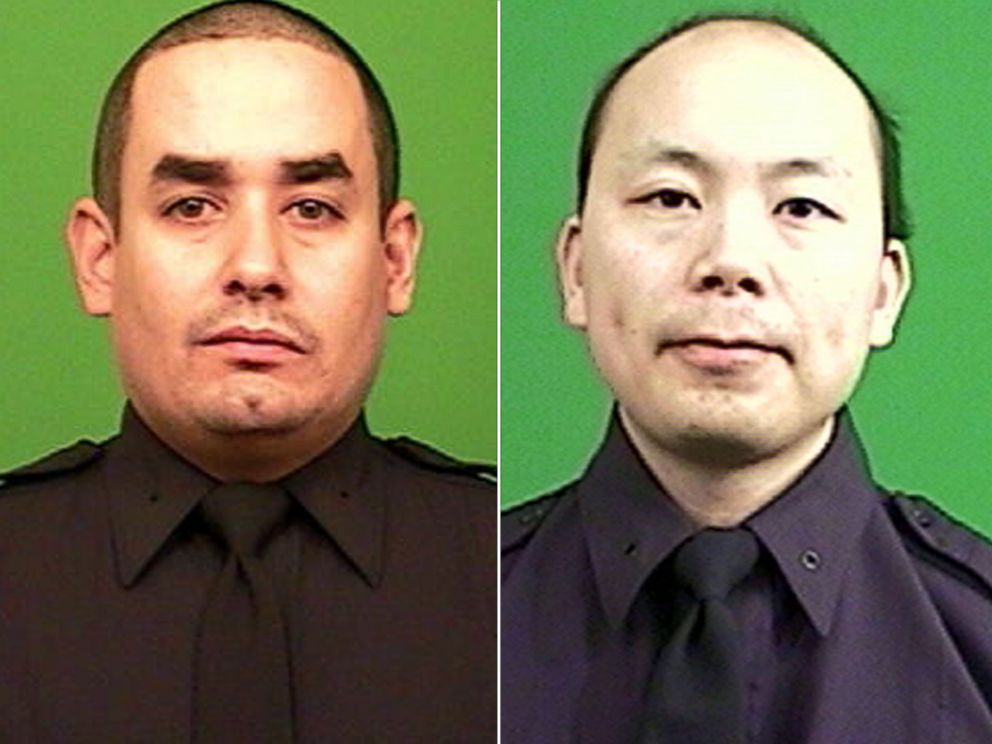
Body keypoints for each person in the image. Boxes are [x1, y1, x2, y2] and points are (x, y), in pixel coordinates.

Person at [0, 1, 494, 742]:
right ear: (99, 259)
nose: (257, 266)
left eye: (314, 207)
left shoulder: (516, 576)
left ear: (395, 260)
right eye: (193, 205)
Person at [502, 13, 992, 744]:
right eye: (670, 198)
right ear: (575, 271)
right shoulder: (444, 620)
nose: (730, 259)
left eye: (801, 206)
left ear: (884, 292)